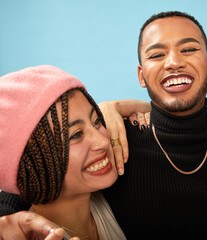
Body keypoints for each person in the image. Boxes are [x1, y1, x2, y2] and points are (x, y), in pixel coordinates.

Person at [0, 11, 207, 239]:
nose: (174, 62)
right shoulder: (118, 146)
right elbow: (33, 166)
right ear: (141, 75)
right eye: (157, 54)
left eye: (188, 49)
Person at [0, 65, 126, 239]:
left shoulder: (116, 198)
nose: (104, 142)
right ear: (31, 162)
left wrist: (113, 107)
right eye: (76, 135)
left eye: (96, 121)